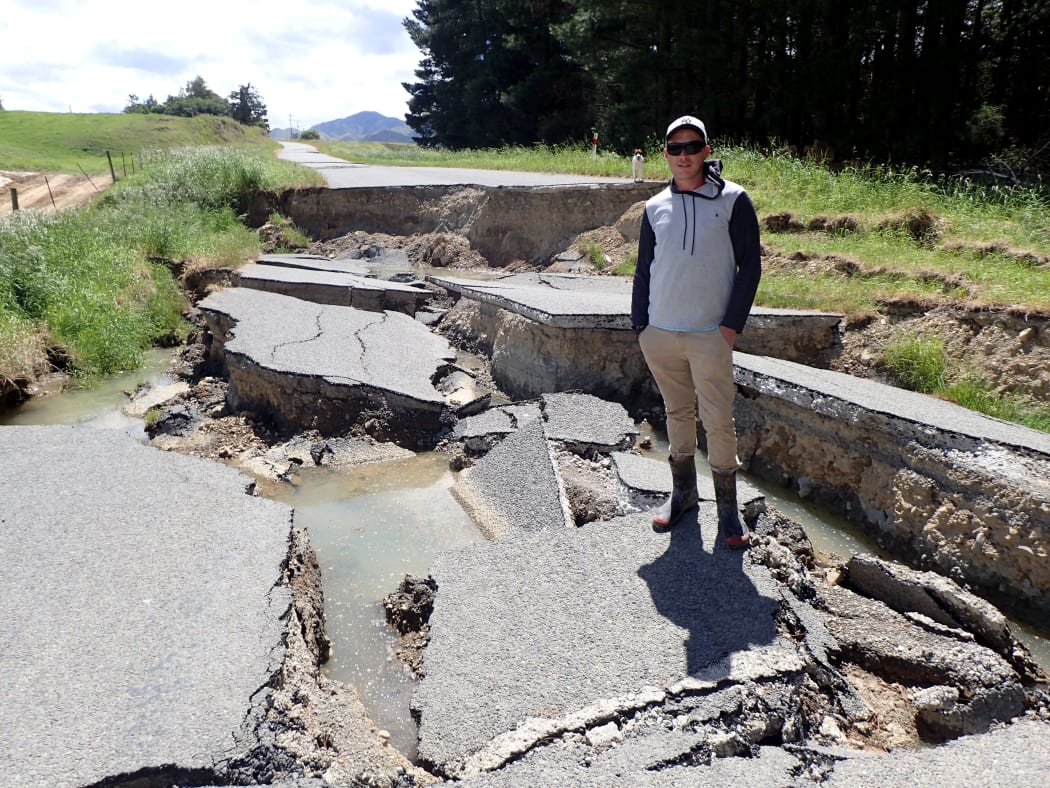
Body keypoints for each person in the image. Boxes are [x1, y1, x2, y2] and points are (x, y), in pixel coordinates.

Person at [630, 115, 761, 548]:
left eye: (692, 146)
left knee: (719, 419)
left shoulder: (734, 200)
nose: (683, 155)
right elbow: (644, 270)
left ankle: (728, 510)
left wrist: (729, 327)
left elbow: (751, 266)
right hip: (660, 333)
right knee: (677, 414)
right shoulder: (653, 207)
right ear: (665, 154)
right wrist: (640, 326)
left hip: (709, 334)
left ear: (706, 149)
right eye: (675, 148)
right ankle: (683, 494)